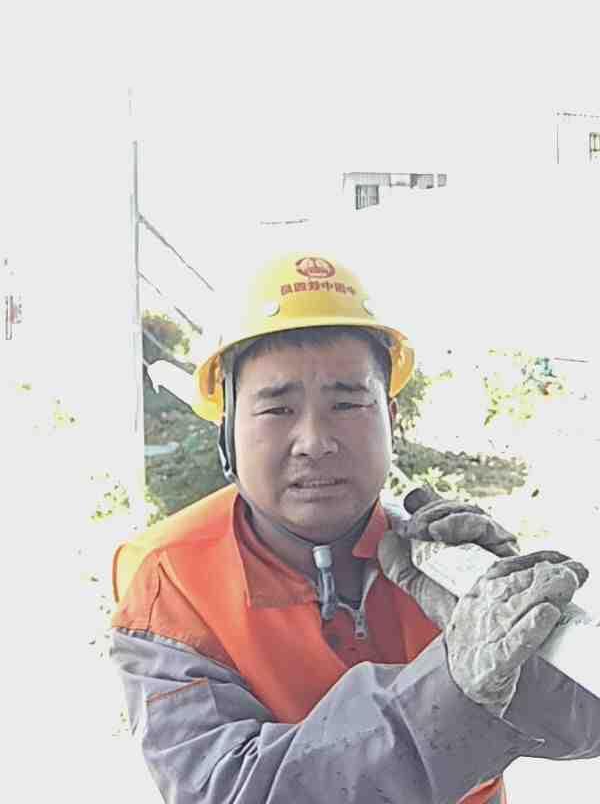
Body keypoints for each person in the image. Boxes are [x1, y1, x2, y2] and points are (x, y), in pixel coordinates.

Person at [110, 252, 600, 804]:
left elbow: (585, 726)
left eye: (347, 403)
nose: (315, 442)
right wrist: (450, 691)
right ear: (227, 431)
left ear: (391, 420)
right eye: (277, 409)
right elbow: (231, 789)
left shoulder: (444, 560)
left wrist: (540, 645)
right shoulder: (172, 585)